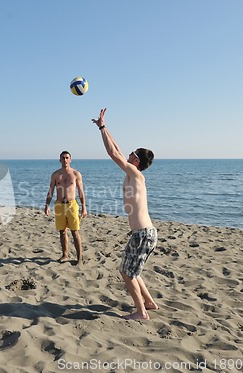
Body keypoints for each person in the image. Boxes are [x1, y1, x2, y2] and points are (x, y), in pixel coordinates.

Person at [92, 108, 158, 320]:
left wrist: (102, 128)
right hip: (144, 233)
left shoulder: (135, 175)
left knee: (126, 272)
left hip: (143, 234)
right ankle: (149, 302)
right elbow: (118, 150)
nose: (127, 154)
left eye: (132, 153)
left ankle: (141, 312)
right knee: (133, 270)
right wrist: (104, 127)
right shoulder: (133, 172)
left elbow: (113, 153)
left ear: (136, 160)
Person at [45, 151, 87, 266]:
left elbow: (81, 192)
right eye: (63, 158)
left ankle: (79, 258)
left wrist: (84, 207)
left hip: (72, 205)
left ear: (70, 160)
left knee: (75, 231)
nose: (65, 160)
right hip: (59, 205)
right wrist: (47, 205)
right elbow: (51, 191)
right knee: (62, 231)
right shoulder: (55, 175)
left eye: (67, 158)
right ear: (60, 160)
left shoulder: (76, 174)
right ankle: (65, 254)